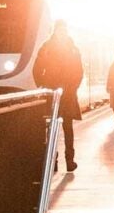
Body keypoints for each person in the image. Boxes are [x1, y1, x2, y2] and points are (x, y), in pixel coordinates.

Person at [35, 21, 85, 172]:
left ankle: (67, 161)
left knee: (62, 128)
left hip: (65, 93)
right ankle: (56, 160)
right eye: (60, 30)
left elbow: (79, 71)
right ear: (56, 31)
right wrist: (44, 86)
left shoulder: (52, 47)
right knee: (56, 128)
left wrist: (43, 84)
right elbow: (37, 68)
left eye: (64, 30)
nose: (62, 32)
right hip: (56, 93)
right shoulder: (67, 48)